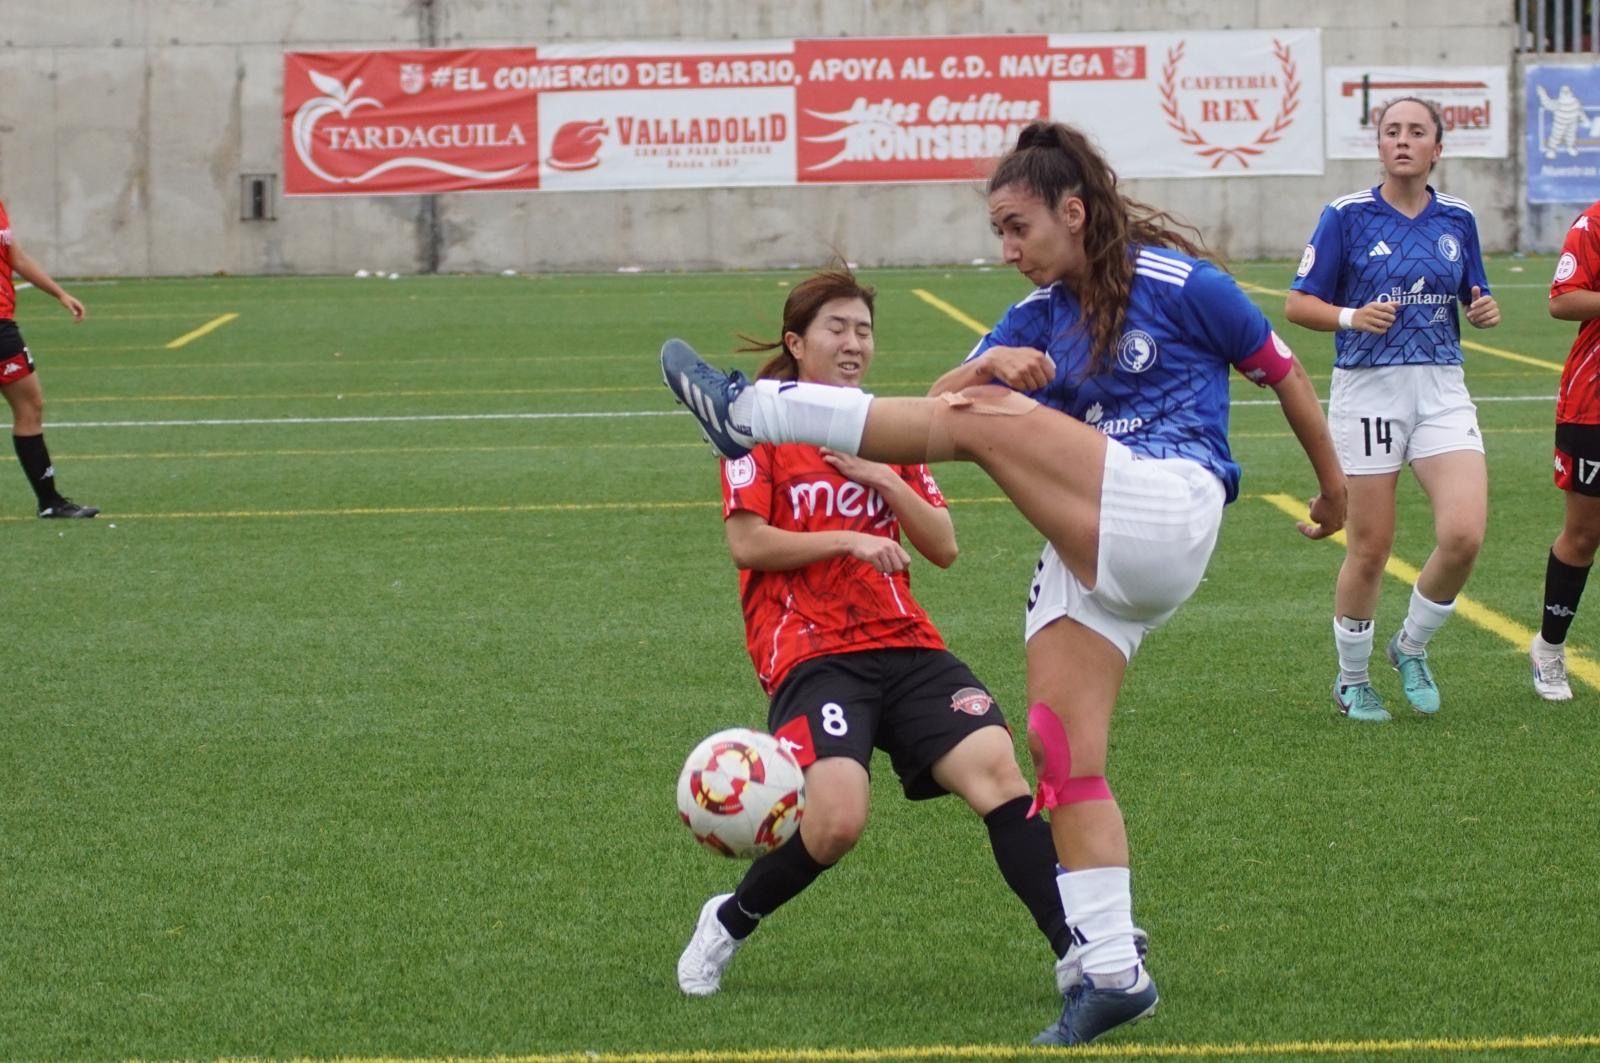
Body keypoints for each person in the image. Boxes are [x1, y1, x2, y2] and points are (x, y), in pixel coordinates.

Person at [663, 121, 1345, 1046]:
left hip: (1169, 505)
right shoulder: (1034, 316)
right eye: (999, 231)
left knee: (986, 420)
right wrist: (985, 362)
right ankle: (1108, 967)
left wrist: (1334, 487)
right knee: (1058, 755)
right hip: (1093, 557)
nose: (1008, 249)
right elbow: (946, 397)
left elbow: (1284, 372)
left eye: (1019, 227)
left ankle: (747, 408)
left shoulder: (1182, 284)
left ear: (1074, 210)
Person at [676, 267, 1085, 1025]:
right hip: (811, 651)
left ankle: (1077, 949)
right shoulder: (754, 427)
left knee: (998, 774)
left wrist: (884, 480)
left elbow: (945, 545)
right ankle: (727, 921)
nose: (854, 342)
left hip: (907, 644)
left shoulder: (881, 428)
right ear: (797, 344)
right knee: (835, 822)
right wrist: (850, 538)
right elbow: (748, 541)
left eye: (863, 329)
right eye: (836, 327)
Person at [1285, 97, 1499, 722]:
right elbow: (1299, 305)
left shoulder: (1457, 217)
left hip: (1441, 390)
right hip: (1369, 391)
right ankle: (1352, 679)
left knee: (1463, 535)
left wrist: (1482, 310)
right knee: (1371, 547)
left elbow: (1473, 293)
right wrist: (1352, 316)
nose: (1403, 141)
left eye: (1417, 132)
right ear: (1378, 146)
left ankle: (1410, 646)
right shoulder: (1346, 217)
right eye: (1391, 131)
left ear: (1438, 148)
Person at [1529, 197, 1600, 701]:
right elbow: (1563, 299)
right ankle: (1549, 649)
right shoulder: (1594, 221)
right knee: (1583, 534)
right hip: (1593, 405)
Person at [0, 196, 98, 518]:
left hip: (2, 327)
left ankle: (49, 502)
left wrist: (60, 293)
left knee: (31, 407)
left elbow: (16, 256)